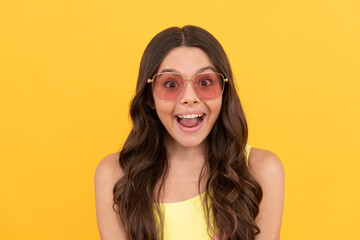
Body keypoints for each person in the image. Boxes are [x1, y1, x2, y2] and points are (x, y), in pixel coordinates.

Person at [94, 25, 284, 240]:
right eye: (171, 84)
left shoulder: (262, 170)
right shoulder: (113, 174)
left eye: (205, 82)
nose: (189, 97)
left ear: (224, 91)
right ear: (149, 97)